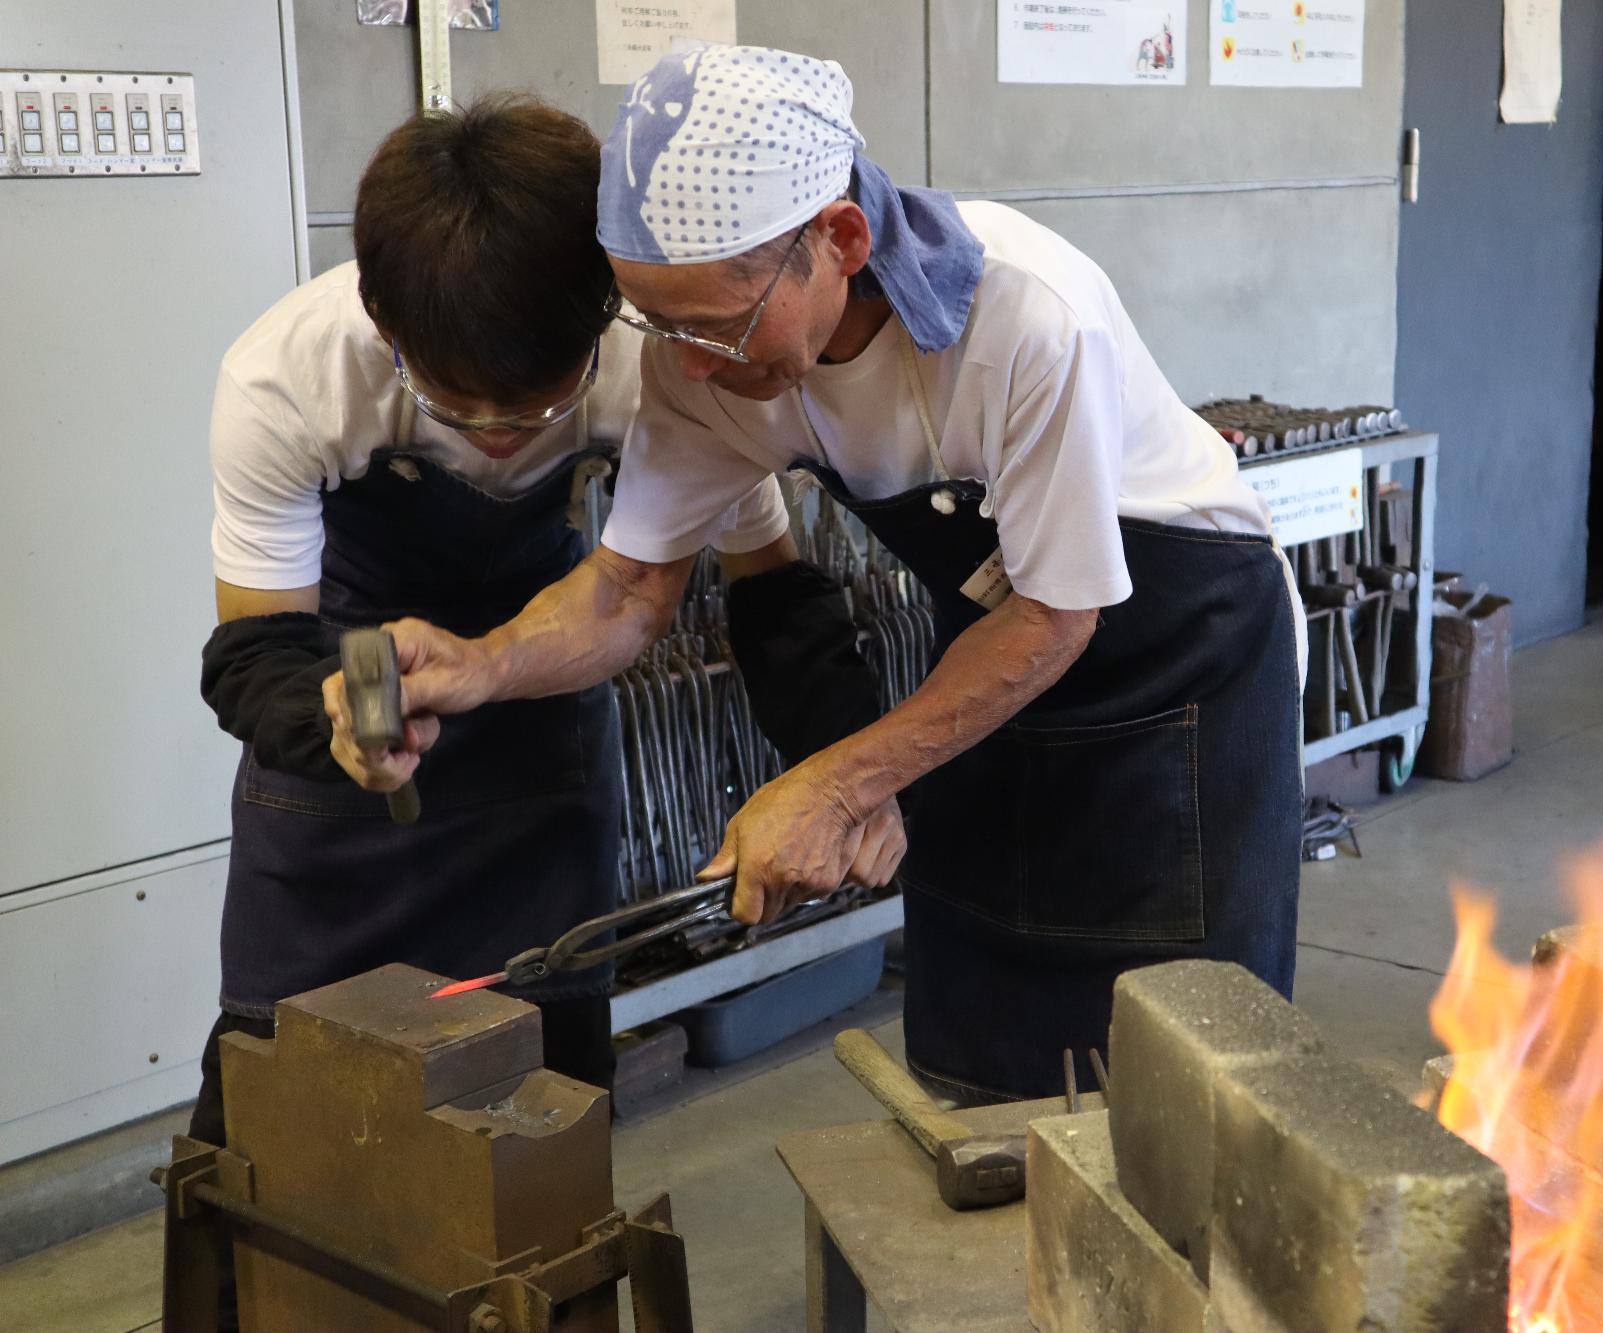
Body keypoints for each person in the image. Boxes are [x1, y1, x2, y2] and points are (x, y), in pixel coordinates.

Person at [329, 47, 1304, 1105]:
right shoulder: (701, 364)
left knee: (1182, 1085)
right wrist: (478, 665)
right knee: (980, 1062)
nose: (690, 365)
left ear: (840, 239)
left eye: (716, 324)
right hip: (991, 672)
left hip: (1177, 661)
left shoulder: (1023, 316)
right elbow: (622, 592)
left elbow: (1056, 615)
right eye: (658, 323)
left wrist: (833, 781)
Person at [193, 93, 906, 1149]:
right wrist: (331, 715)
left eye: (530, 408)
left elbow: (773, 598)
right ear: (385, 327)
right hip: (338, 795)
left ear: (599, 314)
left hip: (541, 771)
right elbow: (252, 649)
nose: (492, 440)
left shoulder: (660, 362)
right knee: (282, 1122)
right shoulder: (289, 375)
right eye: (453, 404)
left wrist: (849, 777)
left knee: (537, 1137)